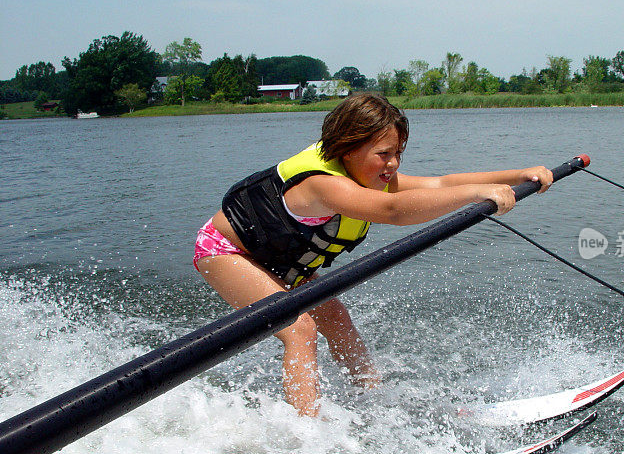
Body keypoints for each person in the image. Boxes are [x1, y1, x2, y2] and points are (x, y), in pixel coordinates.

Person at [194, 93, 553, 417]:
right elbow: (394, 211)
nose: (393, 163)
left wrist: (517, 174)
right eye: (384, 154)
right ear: (349, 149)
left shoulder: (363, 173)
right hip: (225, 251)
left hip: (280, 260)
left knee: (334, 317)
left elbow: (441, 183)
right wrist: (477, 193)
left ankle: (373, 399)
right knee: (299, 327)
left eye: (398, 153)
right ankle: (306, 435)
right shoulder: (323, 184)